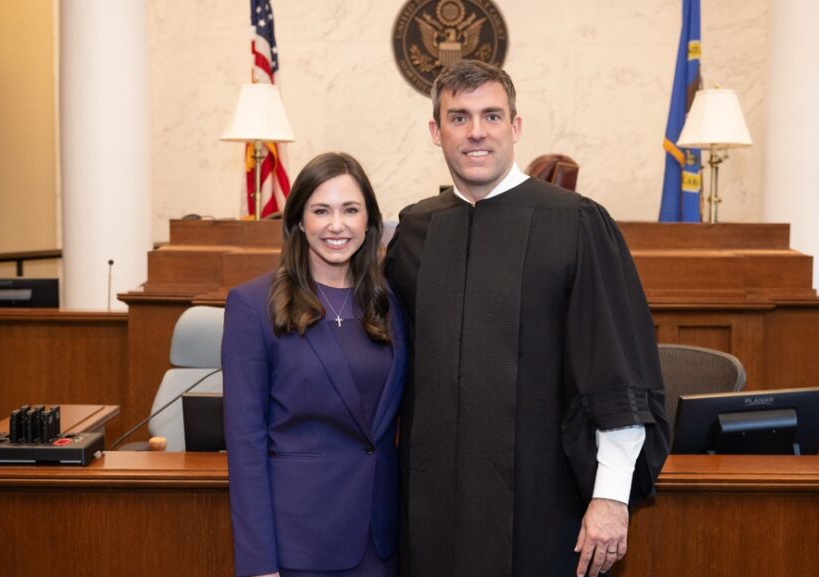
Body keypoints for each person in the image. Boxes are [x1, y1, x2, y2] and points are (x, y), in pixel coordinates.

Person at [384, 60, 669, 577]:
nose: (476, 132)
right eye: (459, 117)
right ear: (436, 131)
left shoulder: (574, 223)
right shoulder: (416, 231)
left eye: (492, 116)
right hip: (432, 505)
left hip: (543, 503)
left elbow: (617, 372)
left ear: (515, 127)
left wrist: (611, 496)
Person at [223, 152, 406, 577]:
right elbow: (246, 446)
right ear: (299, 221)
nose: (336, 225)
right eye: (321, 210)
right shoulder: (253, 305)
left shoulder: (390, 303)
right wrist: (258, 563)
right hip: (300, 544)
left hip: (381, 541)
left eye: (350, 210)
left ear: (369, 221)